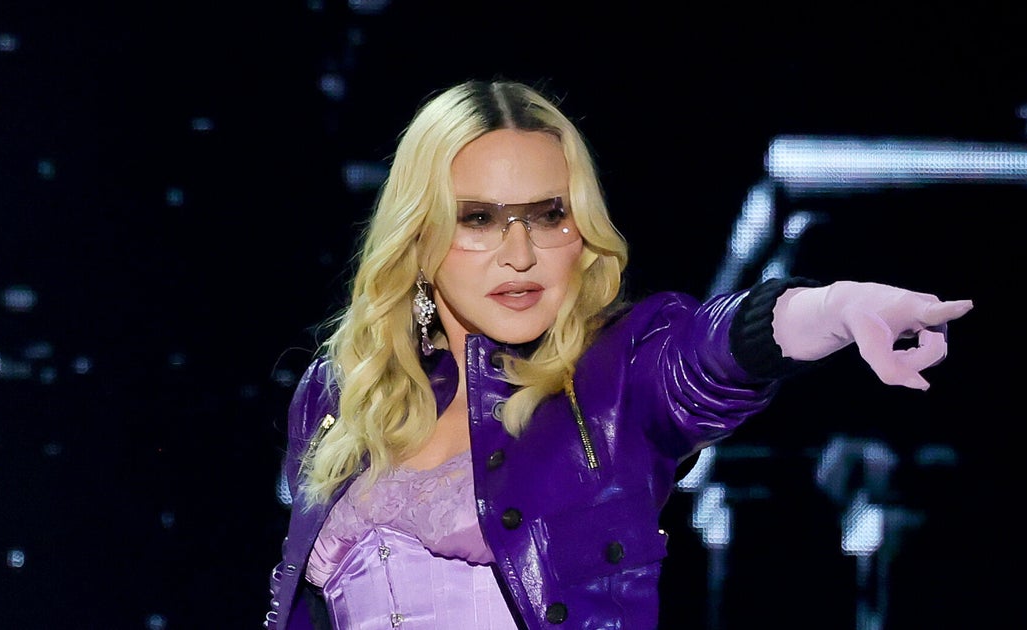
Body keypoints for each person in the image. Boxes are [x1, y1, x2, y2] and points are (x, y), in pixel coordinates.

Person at [263, 78, 973, 630]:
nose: (520, 252)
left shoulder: (613, 378)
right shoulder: (340, 391)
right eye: (478, 218)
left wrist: (832, 308)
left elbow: (708, 354)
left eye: (549, 214)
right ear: (419, 233)